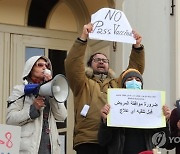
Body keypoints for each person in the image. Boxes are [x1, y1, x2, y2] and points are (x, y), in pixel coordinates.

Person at [65, 22, 145, 154]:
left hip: (114, 138)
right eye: (97, 60)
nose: (101, 61)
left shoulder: (117, 83)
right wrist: (83, 38)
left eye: (105, 60)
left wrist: (137, 46)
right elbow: (72, 65)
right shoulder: (82, 83)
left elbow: (134, 71)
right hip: (88, 140)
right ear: (90, 64)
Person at [98, 68, 171, 154]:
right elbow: (103, 141)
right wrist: (105, 121)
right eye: (129, 79)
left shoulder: (152, 108)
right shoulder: (113, 108)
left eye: (138, 80)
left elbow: (164, 143)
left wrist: (164, 121)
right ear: (123, 85)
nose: (134, 82)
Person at [6, 56, 67, 154]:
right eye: (40, 65)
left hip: (50, 147)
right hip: (29, 148)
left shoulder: (52, 91)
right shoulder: (20, 90)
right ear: (30, 69)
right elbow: (10, 119)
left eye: (46, 66)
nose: (44, 68)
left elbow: (62, 116)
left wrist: (53, 91)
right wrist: (33, 109)